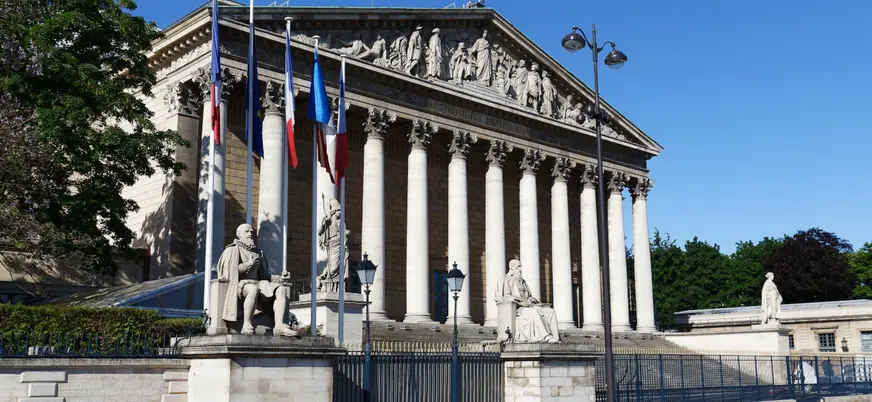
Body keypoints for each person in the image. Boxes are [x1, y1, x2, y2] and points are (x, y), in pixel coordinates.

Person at [217, 224, 296, 336]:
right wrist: (248, 264)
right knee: (253, 290)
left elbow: (264, 275)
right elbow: (229, 272)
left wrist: (280, 278)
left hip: (258, 282)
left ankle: (279, 326)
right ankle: (246, 325)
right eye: (247, 232)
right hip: (241, 283)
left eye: (251, 232)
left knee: (281, 289)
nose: (250, 234)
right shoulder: (232, 250)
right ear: (239, 234)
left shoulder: (258, 252)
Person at [494, 259, 560, 343]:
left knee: (550, 312)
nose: (520, 269)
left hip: (530, 306)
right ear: (511, 269)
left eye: (521, 266)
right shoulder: (505, 280)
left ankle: (555, 338)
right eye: (518, 266)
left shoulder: (523, 281)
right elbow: (506, 297)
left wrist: (531, 299)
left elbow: (529, 296)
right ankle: (546, 337)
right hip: (518, 309)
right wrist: (521, 302)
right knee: (534, 312)